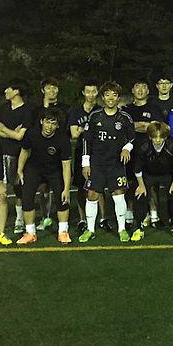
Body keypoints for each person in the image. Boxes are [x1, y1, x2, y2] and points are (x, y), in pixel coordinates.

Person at [79, 81, 135, 243]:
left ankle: (122, 229)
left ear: (118, 98)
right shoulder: (95, 116)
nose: (111, 98)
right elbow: (86, 140)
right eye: (107, 95)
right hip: (97, 163)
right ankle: (90, 230)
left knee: (118, 194)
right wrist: (85, 163)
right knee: (92, 194)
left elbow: (132, 137)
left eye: (114, 95)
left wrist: (127, 148)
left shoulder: (125, 117)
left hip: (116, 163)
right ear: (102, 97)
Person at [16, 107, 72, 245]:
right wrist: (20, 170)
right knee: (27, 197)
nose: (49, 126)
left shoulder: (63, 139)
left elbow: (66, 165)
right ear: (41, 121)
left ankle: (63, 232)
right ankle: (30, 233)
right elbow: (24, 151)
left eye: (53, 123)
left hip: (55, 170)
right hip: (34, 168)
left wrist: (66, 188)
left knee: (62, 199)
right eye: (47, 122)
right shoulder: (32, 133)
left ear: (57, 125)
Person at [68, 80, 111, 235]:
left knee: (99, 186)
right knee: (82, 186)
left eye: (94, 91)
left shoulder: (101, 110)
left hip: (99, 152)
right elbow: (74, 133)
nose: (91, 95)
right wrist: (88, 129)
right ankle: (82, 220)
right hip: (81, 151)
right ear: (83, 93)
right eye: (88, 91)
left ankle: (103, 218)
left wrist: (85, 129)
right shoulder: (75, 111)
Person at [0, 78, 32, 234]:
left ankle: (19, 220)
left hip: (18, 154)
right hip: (0, 153)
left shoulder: (27, 110)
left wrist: (4, 129)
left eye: (8, 88)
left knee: (18, 188)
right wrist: (11, 132)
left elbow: (20, 137)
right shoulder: (3, 108)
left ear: (16, 91)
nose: (5, 91)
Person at [123, 78, 164, 227]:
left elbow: (156, 128)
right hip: (130, 153)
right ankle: (128, 216)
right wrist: (143, 126)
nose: (140, 90)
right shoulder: (126, 110)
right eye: (137, 87)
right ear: (132, 90)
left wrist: (135, 126)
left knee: (151, 184)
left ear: (148, 91)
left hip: (150, 153)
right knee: (129, 184)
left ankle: (154, 216)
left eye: (143, 87)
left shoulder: (154, 109)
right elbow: (124, 127)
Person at [132, 122, 173, 241]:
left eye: (161, 137)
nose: (158, 140)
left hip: (167, 174)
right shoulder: (143, 147)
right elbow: (137, 168)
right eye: (155, 137)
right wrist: (141, 185)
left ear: (165, 137)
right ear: (150, 137)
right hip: (149, 174)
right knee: (140, 195)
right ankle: (137, 227)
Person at [33, 77, 71, 231]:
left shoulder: (65, 108)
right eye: (48, 88)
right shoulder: (36, 110)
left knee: (61, 187)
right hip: (41, 154)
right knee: (43, 188)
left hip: (59, 153)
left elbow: (67, 129)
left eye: (54, 88)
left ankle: (63, 221)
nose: (52, 91)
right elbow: (35, 130)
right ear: (43, 90)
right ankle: (45, 217)